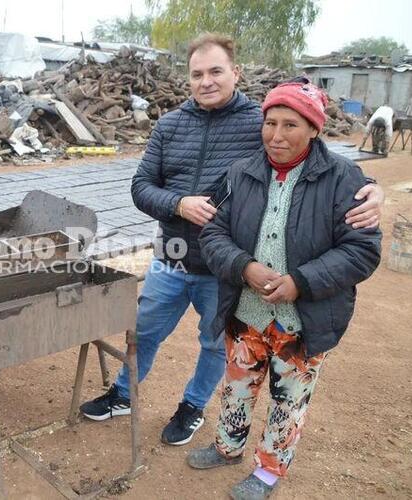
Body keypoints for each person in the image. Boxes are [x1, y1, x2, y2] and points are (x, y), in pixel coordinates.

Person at [79, 33, 384, 447]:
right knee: (143, 331)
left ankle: (192, 406)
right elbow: (140, 186)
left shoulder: (258, 122)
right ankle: (123, 393)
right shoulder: (170, 126)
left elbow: (311, 159)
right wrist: (178, 203)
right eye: (197, 74)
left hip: (226, 267)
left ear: (235, 73)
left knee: (213, 343)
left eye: (216, 71)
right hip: (171, 258)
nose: (206, 81)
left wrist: (372, 187)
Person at [189, 79, 382, 499]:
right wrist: (245, 266)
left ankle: (269, 470)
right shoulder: (241, 173)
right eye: (270, 122)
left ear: (314, 128)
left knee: (288, 399)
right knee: (237, 387)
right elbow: (213, 233)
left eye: (290, 124)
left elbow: (362, 251)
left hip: (304, 322)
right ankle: (227, 446)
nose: (276, 136)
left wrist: (301, 282)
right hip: (246, 311)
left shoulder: (344, 180)